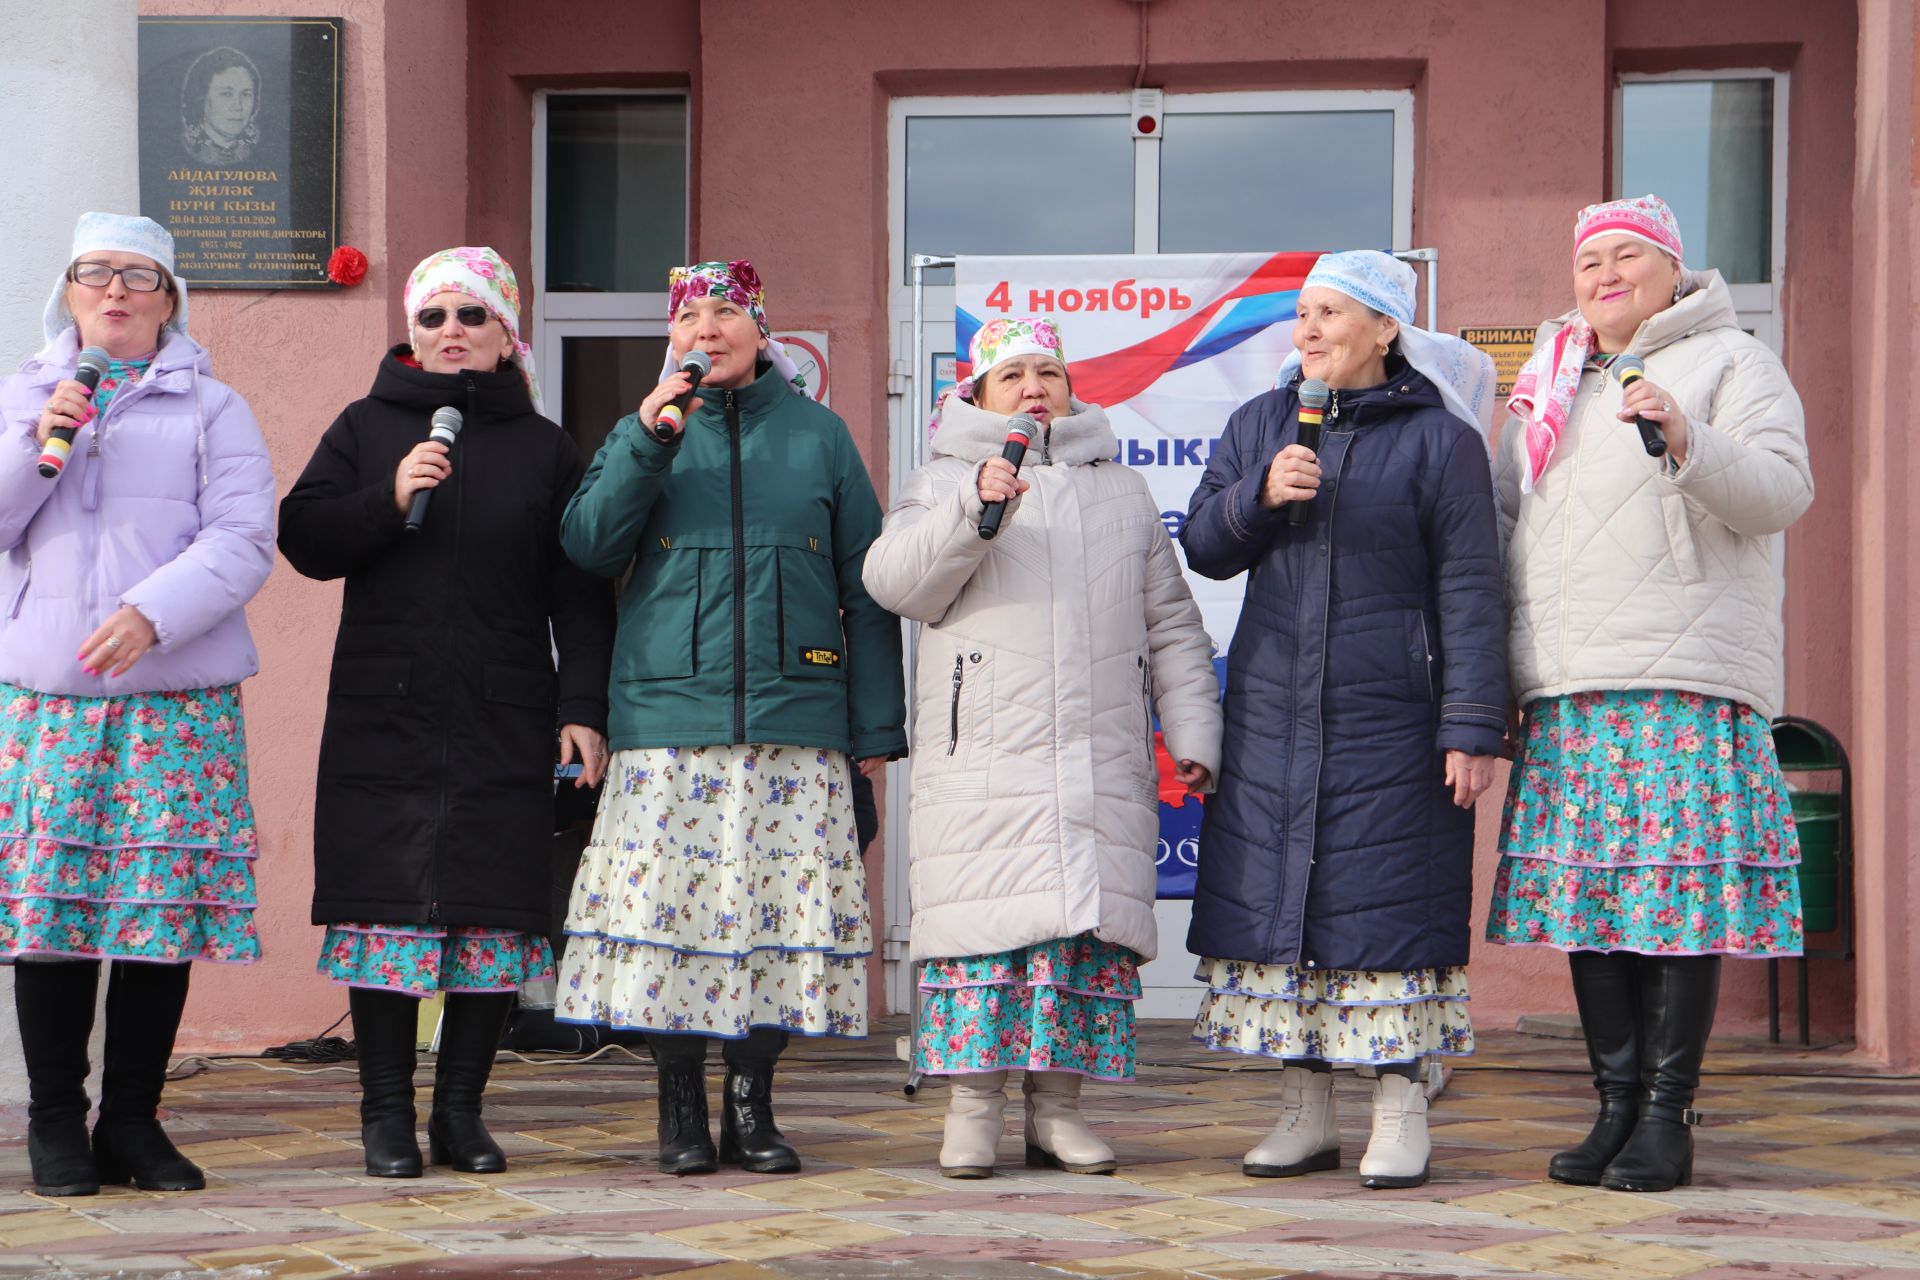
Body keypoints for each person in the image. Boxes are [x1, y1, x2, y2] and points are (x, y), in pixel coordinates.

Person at [1484, 195, 1813, 1193]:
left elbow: (1781, 491)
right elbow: (1507, 530)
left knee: (1669, 898)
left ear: (1676, 270)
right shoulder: (1547, 381)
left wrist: (1684, 438)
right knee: (1594, 904)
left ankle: (1668, 1114)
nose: (1605, 275)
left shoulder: (1732, 362)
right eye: (1589, 262)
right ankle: (1615, 1106)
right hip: (1573, 681)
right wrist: (1501, 674)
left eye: (1629, 256)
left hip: (1681, 676)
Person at [555, 259, 905, 1177]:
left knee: (774, 916)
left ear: (761, 328)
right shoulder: (646, 432)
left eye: (725, 313)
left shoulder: (819, 436)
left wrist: (874, 730)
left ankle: (753, 1104)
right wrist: (647, 438)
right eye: (689, 318)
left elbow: (864, 591)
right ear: (670, 339)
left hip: (797, 721)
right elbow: (588, 546)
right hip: (670, 722)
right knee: (679, 918)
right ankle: (679, 1106)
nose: (707, 330)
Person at [279, 247, 613, 1179]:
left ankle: (460, 1114)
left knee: (493, 915)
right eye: (435, 318)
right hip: (387, 711)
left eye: (473, 316)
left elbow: (580, 592)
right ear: (414, 334)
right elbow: (302, 537)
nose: (452, 332)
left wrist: (583, 704)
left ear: (507, 334)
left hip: (505, 710)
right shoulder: (365, 425)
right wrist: (389, 497)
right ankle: (385, 1115)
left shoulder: (545, 447)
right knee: (386, 915)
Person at [863, 317, 1222, 1179]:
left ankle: (1057, 1112)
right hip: (987, 752)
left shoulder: (1123, 491)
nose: (1034, 388)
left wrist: (1195, 731)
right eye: (1014, 374)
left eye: (1050, 373)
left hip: (1098, 756)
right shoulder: (944, 478)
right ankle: (972, 1110)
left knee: (1077, 943)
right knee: (987, 939)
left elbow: (1172, 623)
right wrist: (972, 510)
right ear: (977, 393)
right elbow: (893, 582)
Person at [1182, 250, 1507, 1190]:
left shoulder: (1441, 440)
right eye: (1302, 314)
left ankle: (1402, 1105)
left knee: (1390, 906)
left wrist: (1471, 724)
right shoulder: (1261, 424)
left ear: (1385, 328)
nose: (1309, 329)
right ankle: (1305, 1107)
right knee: (1291, 907)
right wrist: (1259, 497)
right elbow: (1204, 546)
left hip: (1395, 718)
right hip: (1277, 711)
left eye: (1330, 311)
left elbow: (1472, 588)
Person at [0, 213, 274, 1196]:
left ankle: (132, 1121)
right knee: (56, 915)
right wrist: (43, 442)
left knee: (155, 915)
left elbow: (244, 537)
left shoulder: (213, 408)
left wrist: (151, 613)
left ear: (170, 297)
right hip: (51, 700)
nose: (115, 291)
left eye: (138, 276)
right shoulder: (23, 396)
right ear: (68, 291)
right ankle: (56, 1124)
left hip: (175, 702)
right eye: (95, 273)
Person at [181, 46, 261, 168]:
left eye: (245, 94)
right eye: (226, 94)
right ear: (201, 98)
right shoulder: (184, 147)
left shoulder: (261, 148)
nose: (238, 106)